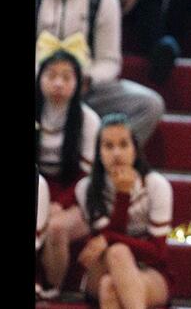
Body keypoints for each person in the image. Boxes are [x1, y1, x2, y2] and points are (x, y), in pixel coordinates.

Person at [38, 0, 167, 144]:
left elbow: (109, 61)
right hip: (38, 86)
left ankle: (99, 157)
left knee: (150, 104)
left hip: (87, 89)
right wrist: (47, 80)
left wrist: (84, 79)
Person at [75, 114, 174, 309]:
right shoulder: (86, 188)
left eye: (123, 144)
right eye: (108, 146)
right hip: (101, 269)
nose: (117, 153)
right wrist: (123, 194)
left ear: (135, 150)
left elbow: (158, 253)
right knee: (117, 253)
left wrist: (107, 238)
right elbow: (111, 244)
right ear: (98, 152)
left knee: (109, 287)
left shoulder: (156, 185)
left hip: (149, 271)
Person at [35, 49, 102, 299]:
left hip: (78, 198)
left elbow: (87, 178)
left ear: (79, 83)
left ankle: (52, 289)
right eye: (51, 76)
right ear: (40, 78)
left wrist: (59, 204)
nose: (58, 83)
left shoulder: (88, 120)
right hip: (39, 191)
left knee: (55, 228)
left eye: (66, 77)